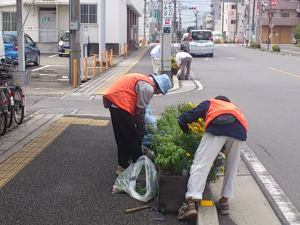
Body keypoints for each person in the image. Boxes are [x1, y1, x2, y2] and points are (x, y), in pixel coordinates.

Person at [176, 96, 248, 220]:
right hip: (239, 131)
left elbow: (184, 119)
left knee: (201, 163)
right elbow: (229, 130)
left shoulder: (210, 103)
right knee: (232, 167)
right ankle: (225, 202)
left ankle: (191, 203)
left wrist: (187, 132)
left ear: (217, 100)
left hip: (216, 128)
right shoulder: (234, 108)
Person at [103, 73, 172, 176]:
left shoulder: (143, 80)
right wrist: (141, 128)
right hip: (122, 105)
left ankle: (122, 167)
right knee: (133, 141)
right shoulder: (148, 88)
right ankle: (138, 170)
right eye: (159, 92)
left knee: (121, 138)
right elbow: (140, 112)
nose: (157, 94)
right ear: (158, 86)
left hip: (113, 103)